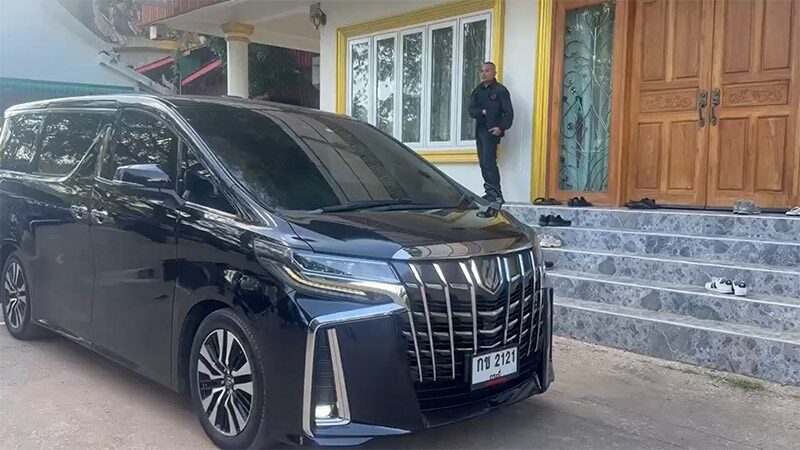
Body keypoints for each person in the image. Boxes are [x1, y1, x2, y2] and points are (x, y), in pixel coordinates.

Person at [468, 61, 514, 206]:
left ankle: (496, 194)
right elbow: (471, 110)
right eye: (482, 71)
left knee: (489, 162)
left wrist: (501, 128)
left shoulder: (500, 90)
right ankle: (489, 193)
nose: (483, 74)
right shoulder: (478, 90)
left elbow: (509, 113)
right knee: (483, 162)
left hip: (492, 132)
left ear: (494, 73)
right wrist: (482, 112)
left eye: (487, 71)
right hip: (480, 131)